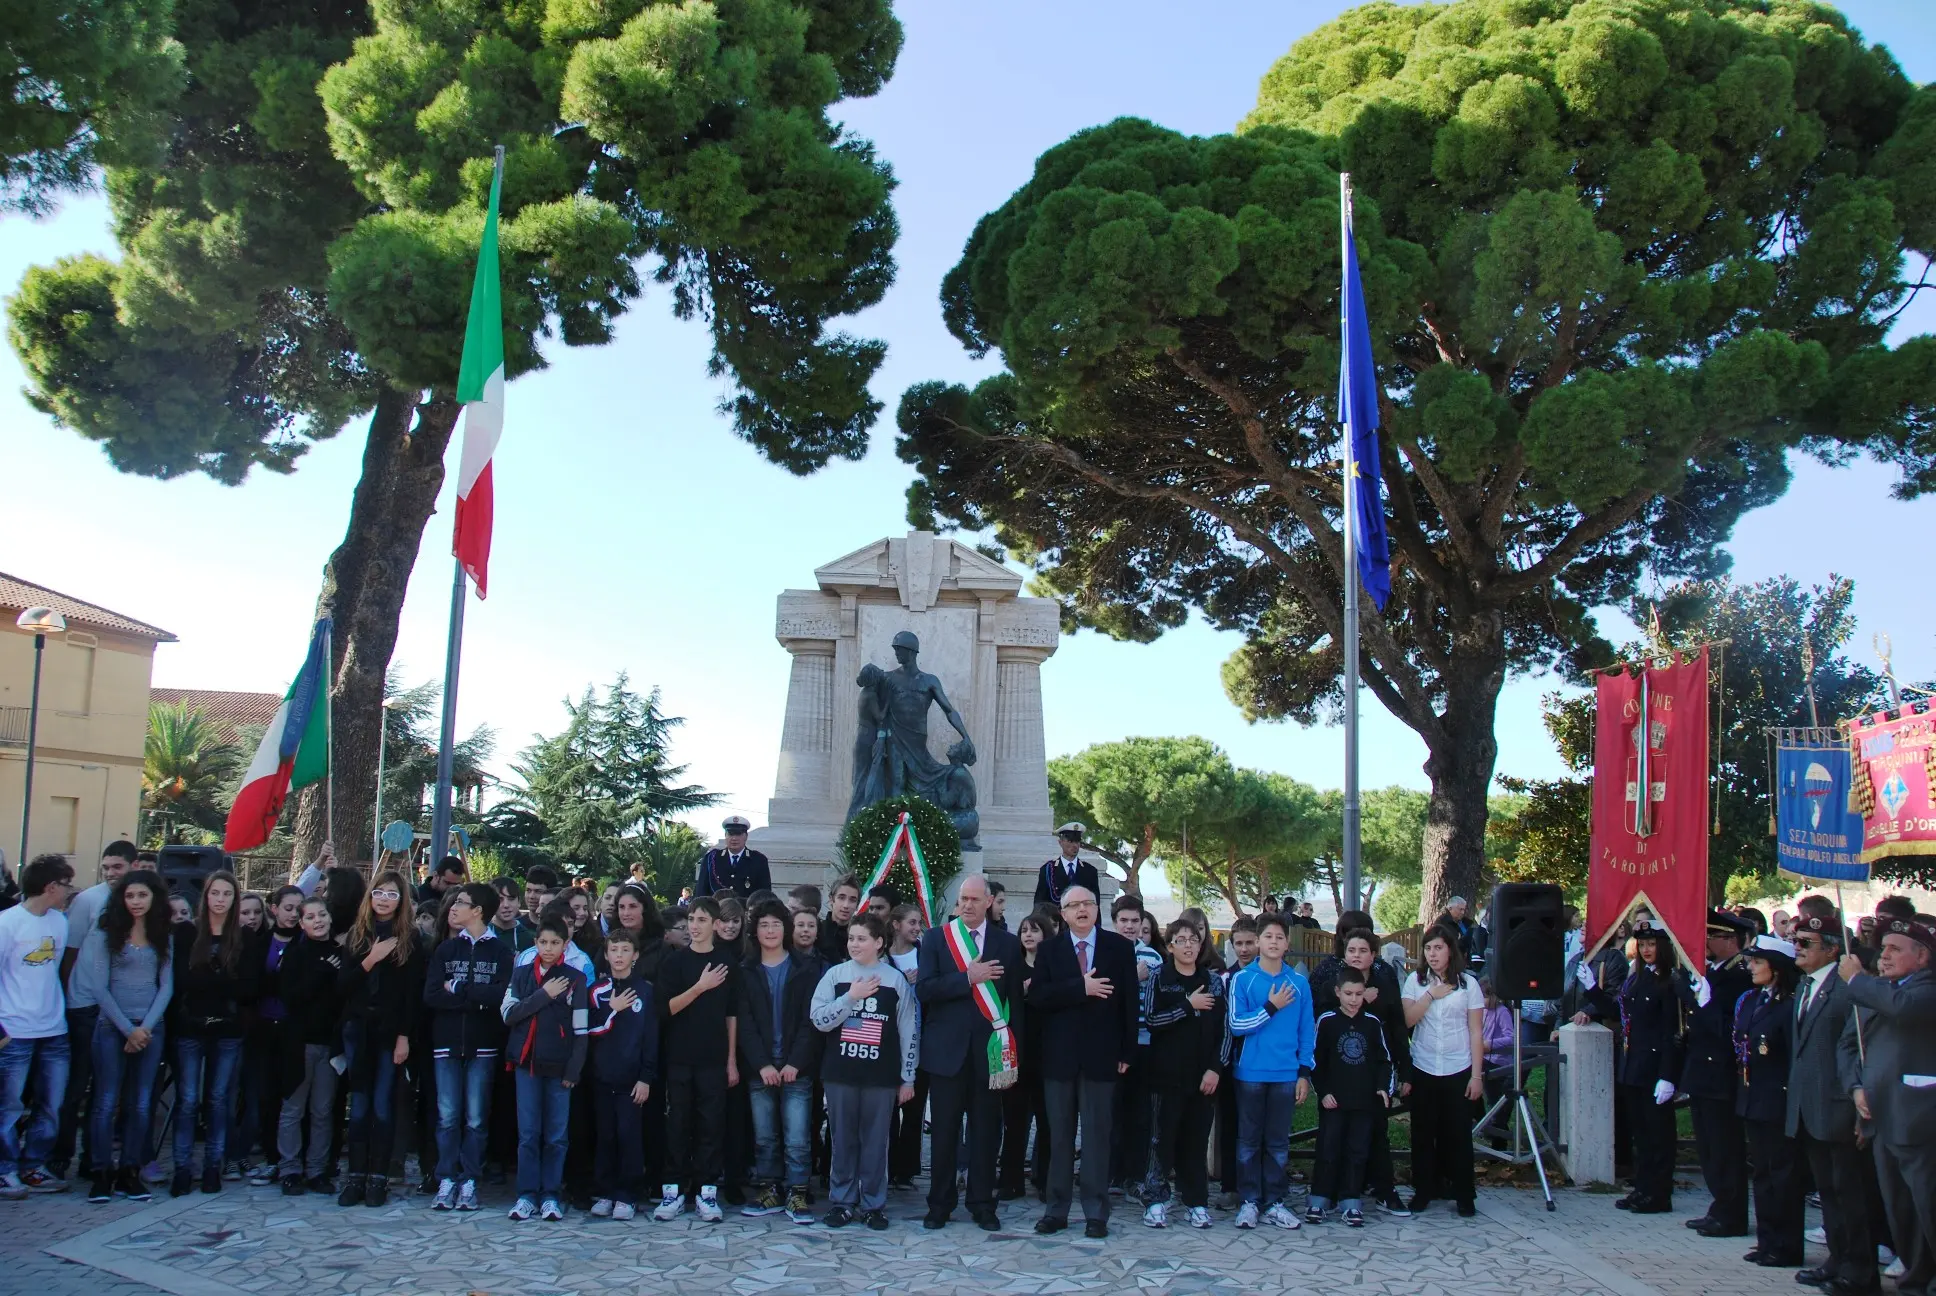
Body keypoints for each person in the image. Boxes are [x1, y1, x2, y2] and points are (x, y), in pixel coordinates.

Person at [1028, 884, 1140, 1238]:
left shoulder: (1119, 948)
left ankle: (1096, 1213)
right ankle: (1056, 1210)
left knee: (1096, 1136)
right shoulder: (1049, 950)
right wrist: (1081, 988)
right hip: (1059, 1059)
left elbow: (1129, 1004)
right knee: (1059, 1137)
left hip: (1102, 1056)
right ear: (1062, 913)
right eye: (1073, 905)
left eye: (1087, 903)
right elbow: (1039, 998)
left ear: (1096, 909)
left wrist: (1127, 1051)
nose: (1081, 910)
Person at [916, 874, 1024, 1229]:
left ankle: (982, 1203)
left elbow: (1014, 1003)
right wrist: (967, 977)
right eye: (963, 899)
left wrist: (1011, 1050)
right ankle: (940, 1204)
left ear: (989, 901)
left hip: (989, 1054)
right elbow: (926, 990)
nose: (967, 905)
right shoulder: (936, 939)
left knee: (986, 1132)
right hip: (946, 1054)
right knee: (944, 1132)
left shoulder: (1007, 944)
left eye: (975, 899)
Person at [1840, 916, 1936, 1296]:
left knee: (1927, 1206)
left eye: (1896, 949)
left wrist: (1856, 980)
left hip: (1917, 1120)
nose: (1886, 956)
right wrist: (1856, 1087)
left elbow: (1901, 1008)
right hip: (1880, 1117)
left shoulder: (1924, 990)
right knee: (1901, 1211)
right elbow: (1851, 1045)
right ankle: (1916, 1277)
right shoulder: (1881, 990)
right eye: (1884, 949)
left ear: (1924, 957)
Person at [1786, 912, 1878, 1292]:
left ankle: (1860, 1271)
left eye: (1806, 943)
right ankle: (1837, 1260)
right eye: (1796, 940)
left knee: (1850, 1195)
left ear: (1832, 949)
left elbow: (1860, 1048)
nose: (1798, 948)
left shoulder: (1847, 990)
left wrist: (1861, 1106)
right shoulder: (1804, 986)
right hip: (1810, 1105)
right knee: (1828, 1194)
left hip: (1840, 1106)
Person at [810, 911, 917, 1230]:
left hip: (880, 1076)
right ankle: (842, 1201)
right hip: (841, 1073)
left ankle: (873, 1203)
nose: (854, 944)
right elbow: (818, 1019)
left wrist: (907, 1076)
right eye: (851, 937)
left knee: (875, 1142)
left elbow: (908, 1030)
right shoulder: (835, 976)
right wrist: (849, 998)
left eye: (862, 938)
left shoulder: (895, 980)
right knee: (842, 1139)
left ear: (879, 943)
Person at [72, 867, 171, 1203]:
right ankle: (101, 1171)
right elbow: (99, 988)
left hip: (150, 1028)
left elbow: (166, 985)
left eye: (142, 894)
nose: (136, 901)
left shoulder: (162, 934)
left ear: (153, 897)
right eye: (130, 895)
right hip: (112, 1028)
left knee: (141, 1104)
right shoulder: (106, 933)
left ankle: (130, 1170)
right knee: (104, 1102)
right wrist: (128, 1030)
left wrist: (145, 1028)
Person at [423, 881, 514, 1213]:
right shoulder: (446, 950)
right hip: (446, 1044)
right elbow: (432, 995)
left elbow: (500, 997)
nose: (453, 907)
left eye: (461, 902)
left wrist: (460, 987)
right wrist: (475, 997)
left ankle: (470, 1180)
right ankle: (446, 1177)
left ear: (478, 911)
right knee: (447, 1117)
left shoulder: (501, 952)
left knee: (476, 1119)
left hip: (484, 1046)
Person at [337, 869, 423, 1208]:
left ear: (401, 900)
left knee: (383, 1107)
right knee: (358, 1107)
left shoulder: (411, 939)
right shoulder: (358, 936)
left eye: (391, 894)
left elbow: (411, 996)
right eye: (379, 892)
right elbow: (343, 987)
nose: (384, 899)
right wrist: (370, 960)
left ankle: (378, 1179)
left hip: (390, 1033)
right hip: (358, 1029)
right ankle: (355, 1177)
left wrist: (404, 1037)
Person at [51, 840, 135, 1184]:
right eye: (106, 868)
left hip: (120, 1010)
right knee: (76, 1089)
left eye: (117, 866)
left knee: (107, 1090)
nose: (111, 873)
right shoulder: (88, 901)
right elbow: (70, 953)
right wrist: (69, 996)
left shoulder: (138, 900)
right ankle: (60, 1156)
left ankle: (94, 1158)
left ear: (131, 866)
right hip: (84, 1006)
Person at [653, 896, 739, 1223]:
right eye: (692, 919)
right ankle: (673, 1191)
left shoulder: (728, 961)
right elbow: (666, 1009)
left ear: (716, 925)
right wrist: (700, 987)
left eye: (702, 919)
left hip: (714, 1058)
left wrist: (731, 1060)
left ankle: (707, 1191)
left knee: (711, 1125)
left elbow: (732, 1015)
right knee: (677, 1124)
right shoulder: (675, 962)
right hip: (679, 1056)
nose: (695, 925)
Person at [170, 869, 255, 1197]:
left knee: (219, 1100)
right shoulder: (187, 934)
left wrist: (210, 978)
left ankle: (212, 1167)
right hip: (191, 1027)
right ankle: (181, 1168)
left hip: (227, 1030)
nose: (220, 900)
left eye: (227, 894)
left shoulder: (244, 938)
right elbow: (183, 982)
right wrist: (221, 979)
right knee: (188, 1099)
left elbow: (248, 988)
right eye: (215, 893)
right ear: (205, 897)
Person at [1226, 911, 1314, 1231]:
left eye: (1279, 937)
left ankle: (1275, 1201)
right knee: (1248, 1140)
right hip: (1250, 1072)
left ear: (1287, 943)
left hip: (1286, 1074)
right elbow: (1237, 1025)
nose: (1274, 942)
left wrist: (1304, 1072)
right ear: (1258, 942)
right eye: (1268, 937)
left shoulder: (1299, 983)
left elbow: (1307, 1032)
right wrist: (1271, 1007)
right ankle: (1249, 1200)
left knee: (1277, 1142)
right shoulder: (1243, 979)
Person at [501, 914, 589, 1222]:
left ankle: (551, 1194)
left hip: (559, 1067)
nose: (548, 949)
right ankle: (526, 1195)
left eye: (555, 943)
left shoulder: (576, 979)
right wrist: (543, 995)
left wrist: (574, 1070)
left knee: (556, 1135)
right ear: (535, 943)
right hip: (526, 1065)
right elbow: (509, 1014)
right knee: (528, 1133)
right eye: (542, 942)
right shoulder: (522, 974)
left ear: (566, 944)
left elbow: (581, 1031)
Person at [736, 899, 819, 1224]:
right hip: (761, 1069)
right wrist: (762, 1064)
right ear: (754, 931)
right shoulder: (746, 970)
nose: (770, 931)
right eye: (764, 925)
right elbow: (744, 1023)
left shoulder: (804, 969)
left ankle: (797, 1191)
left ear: (786, 929)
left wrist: (795, 1062)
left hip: (796, 1068)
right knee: (765, 1136)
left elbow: (809, 1022)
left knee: (798, 1136)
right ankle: (768, 1188)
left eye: (776, 924)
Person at [0, 855, 77, 1198]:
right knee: (9, 1105)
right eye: (66, 884)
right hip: (14, 1030)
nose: (69, 891)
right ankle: (4, 1170)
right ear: (51, 887)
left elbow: (57, 972)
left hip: (54, 1028)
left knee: (51, 1102)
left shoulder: (60, 922)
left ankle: (34, 1166)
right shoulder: (7, 924)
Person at [1679, 909, 1756, 1239]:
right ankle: (1720, 1206)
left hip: (1721, 1071)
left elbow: (1730, 1029)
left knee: (1725, 1147)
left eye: (1712, 937)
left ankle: (1732, 1212)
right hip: (1702, 1071)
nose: (1705, 943)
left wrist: (1707, 1003)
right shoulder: (1713, 973)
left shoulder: (1739, 977)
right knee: (1709, 1147)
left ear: (1730, 940)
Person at [1142, 917, 1222, 1229]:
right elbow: (1151, 1019)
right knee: (1162, 1139)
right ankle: (1156, 1200)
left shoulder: (1212, 981)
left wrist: (1215, 1069)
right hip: (1166, 1076)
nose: (1188, 945)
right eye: (1181, 940)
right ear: (1170, 945)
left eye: (1193, 940)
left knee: (1195, 1141)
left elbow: (1222, 1031)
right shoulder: (1159, 978)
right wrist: (1187, 1006)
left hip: (1203, 1077)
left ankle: (1196, 1201)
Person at [1403, 923, 1484, 1217]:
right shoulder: (1415, 981)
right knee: (1423, 1133)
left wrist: (1477, 1075)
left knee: (1458, 1134)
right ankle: (1423, 1190)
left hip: (1458, 1066)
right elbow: (1408, 1021)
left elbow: (1476, 1031)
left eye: (1438, 947)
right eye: (1428, 948)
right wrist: (1430, 995)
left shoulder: (1468, 984)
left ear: (1450, 950)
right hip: (1424, 1065)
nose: (1433, 954)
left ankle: (1464, 1193)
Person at [1308, 966, 1396, 1227]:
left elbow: (1384, 1060)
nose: (1354, 999)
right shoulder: (1326, 1021)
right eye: (1348, 993)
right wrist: (1323, 1092)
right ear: (1338, 992)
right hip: (1333, 1102)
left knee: (1357, 1152)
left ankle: (1351, 1201)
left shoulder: (1372, 1023)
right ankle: (1320, 1199)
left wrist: (1382, 1087)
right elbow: (1316, 1062)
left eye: (1358, 994)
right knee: (1328, 1149)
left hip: (1363, 1102)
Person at [1735, 933, 1804, 1269]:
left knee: (1783, 1176)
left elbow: (1792, 1056)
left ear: (1776, 968)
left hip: (1776, 1098)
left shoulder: (1788, 1005)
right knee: (1762, 1173)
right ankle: (1767, 1240)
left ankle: (1786, 1244)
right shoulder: (1755, 999)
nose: (1751, 967)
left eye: (1758, 962)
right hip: (1754, 1095)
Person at [275, 896, 348, 1195]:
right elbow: (290, 997)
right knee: (293, 1108)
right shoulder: (295, 953)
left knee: (323, 1109)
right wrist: (320, 973)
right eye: (310, 917)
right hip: (299, 1042)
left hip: (330, 1044)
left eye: (322, 914)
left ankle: (317, 1169)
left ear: (330, 918)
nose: (317, 921)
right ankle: (289, 1168)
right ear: (301, 923)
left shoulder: (340, 953)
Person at [585, 926, 659, 1221]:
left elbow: (650, 1038)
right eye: (613, 950)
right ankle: (604, 1191)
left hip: (632, 1080)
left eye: (625, 950)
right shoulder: (597, 991)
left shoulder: (646, 991)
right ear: (606, 954)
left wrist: (646, 1077)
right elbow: (587, 1029)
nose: (619, 955)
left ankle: (627, 1194)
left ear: (636, 955)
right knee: (605, 1136)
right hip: (602, 1077)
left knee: (629, 1137)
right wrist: (609, 1010)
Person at [1607, 924, 1681, 1215]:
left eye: (1652, 944)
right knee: (1641, 1132)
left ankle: (1659, 1193)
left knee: (1658, 1134)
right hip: (1634, 1063)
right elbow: (1620, 1013)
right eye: (1643, 944)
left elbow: (1671, 1033)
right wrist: (1591, 990)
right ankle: (1643, 1188)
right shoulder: (1636, 979)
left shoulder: (1670, 981)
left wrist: (1668, 1074)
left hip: (1654, 1065)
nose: (1647, 950)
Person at [999, 906, 1056, 1201]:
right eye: (1024, 930)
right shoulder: (1013, 967)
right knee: (1015, 1120)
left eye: (1035, 929)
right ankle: (1010, 1181)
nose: (1029, 935)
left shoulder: (1055, 967)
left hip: (1048, 1056)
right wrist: (1021, 989)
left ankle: (1045, 1180)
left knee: (1048, 1122)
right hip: (1017, 1054)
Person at [1109, 893, 1161, 1199]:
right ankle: (1112, 1173)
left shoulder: (1152, 957)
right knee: (1112, 1111)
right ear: (1115, 922)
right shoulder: (1104, 953)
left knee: (1141, 1114)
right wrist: (1130, 976)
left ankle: (1136, 1174)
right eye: (1124, 921)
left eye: (1134, 921)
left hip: (1145, 1043)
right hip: (1114, 1045)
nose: (1129, 926)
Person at [1215, 915, 1260, 1207]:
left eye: (1249, 943)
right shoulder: (1224, 979)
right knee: (1230, 1125)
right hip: (1230, 1063)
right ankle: (1231, 1185)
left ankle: (1258, 1184)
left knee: (1258, 1127)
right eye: (1239, 943)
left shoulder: (1267, 978)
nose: (1244, 949)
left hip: (1260, 1062)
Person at [885, 903, 926, 1188]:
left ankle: (907, 1168)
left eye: (919, 922)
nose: (916, 928)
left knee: (914, 1109)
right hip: (888, 1043)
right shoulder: (883, 957)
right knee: (887, 1110)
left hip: (919, 1042)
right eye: (911, 922)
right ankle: (886, 1163)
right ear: (896, 924)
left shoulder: (926, 955)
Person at [697, 815, 771, 899]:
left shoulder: (758, 860)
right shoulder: (712, 858)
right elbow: (701, 893)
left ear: (746, 836)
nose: (734, 838)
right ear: (725, 836)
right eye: (730, 834)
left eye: (738, 834)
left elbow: (765, 895)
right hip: (716, 910)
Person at [1033, 823, 1100, 907]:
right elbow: (1040, 904)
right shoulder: (1048, 869)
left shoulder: (1090, 871)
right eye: (1070, 841)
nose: (1075, 845)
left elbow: (1095, 906)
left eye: (1077, 841)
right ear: (1060, 842)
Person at [815, 876, 862, 965]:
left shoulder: (862, 935)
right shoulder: (817, 931)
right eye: (841, 898)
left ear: (857, 905)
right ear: (831, 899)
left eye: (852, 900)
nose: (846, 905)